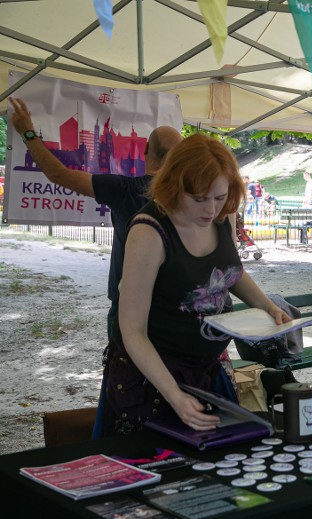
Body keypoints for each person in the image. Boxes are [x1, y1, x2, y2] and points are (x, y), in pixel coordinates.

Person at [100, 134, 290, 436]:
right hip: (153, 378)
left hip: (208, 370)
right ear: (174, 185)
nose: (211, 210)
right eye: (199, 199)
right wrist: (175, 396)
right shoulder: (149, 231)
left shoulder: (221, 215)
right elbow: (132, 332)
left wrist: (268, 307)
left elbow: (231, 273)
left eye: (219, 197)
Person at [9, 97, 183, 339]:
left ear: (144, 149)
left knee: (124, 372)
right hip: (174, 306)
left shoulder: (124, 189)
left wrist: (28, 133)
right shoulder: (189, 197)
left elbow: (58, 174)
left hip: (129, 305)